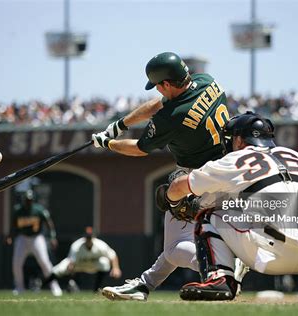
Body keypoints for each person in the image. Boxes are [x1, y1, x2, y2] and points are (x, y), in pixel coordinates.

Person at [92, 52, 248, 301]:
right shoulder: (207, 80)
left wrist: (108, 143)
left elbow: (139, 148)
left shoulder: (172, 117)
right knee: (173, 242)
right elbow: (159, 103)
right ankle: (143, 286)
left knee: (175, 248)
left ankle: (224, 268)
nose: (157, 90)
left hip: (200, 179)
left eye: (158, 86)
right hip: (228, 169)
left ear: (166, 84)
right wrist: (121, 123)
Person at [165, 112, 298, 301]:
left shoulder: (232, 160)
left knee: (208, 215)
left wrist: (170, 199)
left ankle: (220, 279)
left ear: (239, 139)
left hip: (271, 257)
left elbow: (179, 187)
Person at [7, 189, 63, 296]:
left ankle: (55, 287)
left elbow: (49, 223)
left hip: (36, 238)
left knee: (44, 262)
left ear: (33, 200)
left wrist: (52, 237)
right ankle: (19, 288)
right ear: (24, 200)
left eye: (30, 200)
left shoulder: (39, 210)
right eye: (27, 200)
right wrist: (10, 236)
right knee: (16, 263)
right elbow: (13, 225)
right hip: (22, 238)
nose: (28, 202)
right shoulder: (18, 211)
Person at [43, 227, 122, 292]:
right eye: (87, 237)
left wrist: (116, 268)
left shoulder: (100, 245)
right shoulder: (77, 246)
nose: (88, 240)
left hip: (93, 265)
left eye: (90, 237)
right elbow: (71, 263)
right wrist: (70, 277)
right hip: (78, 265)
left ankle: (97, 289)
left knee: (104, 263)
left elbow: (112, 255)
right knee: (60, 268)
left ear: (93, 237)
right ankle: (42, 285)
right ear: (84, 237)